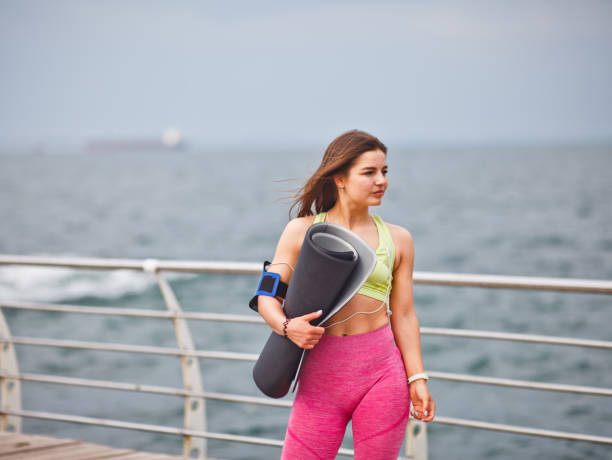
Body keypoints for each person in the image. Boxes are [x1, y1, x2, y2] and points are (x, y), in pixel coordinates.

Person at [256, 129, 435, 459]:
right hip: (321, 376)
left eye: (384, 171)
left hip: (382, 373)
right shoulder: (302, 232)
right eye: (369, 172)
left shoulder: (399, 240)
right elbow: (266, 295)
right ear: (339, 178)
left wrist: (417, 378)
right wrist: (285, 327)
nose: (381, 180)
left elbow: (406, 315)